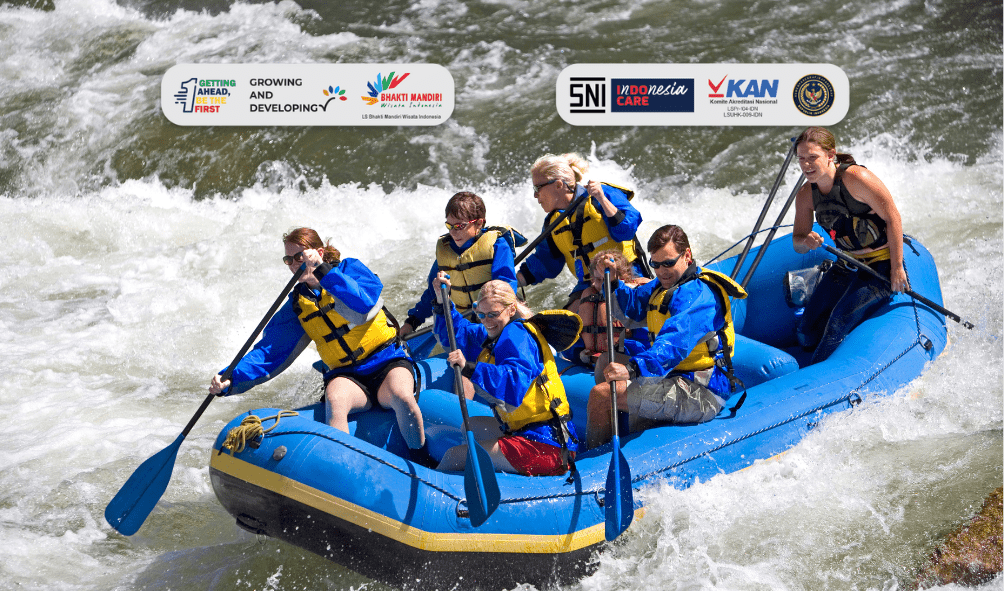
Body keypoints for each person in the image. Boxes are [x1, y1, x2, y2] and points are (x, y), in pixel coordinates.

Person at [209, 227, 433, 466]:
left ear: (319, 252)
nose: (295, 264)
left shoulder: (351, 269)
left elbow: (364, 301)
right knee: (335, 403)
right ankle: (342, 467)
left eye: (300, 257)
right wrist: (231, 378)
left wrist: (324, 271)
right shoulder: (298, 304)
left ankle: (422, 461)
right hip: (347, 375)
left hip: (387, 361)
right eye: (289, 260)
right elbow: (269, 352)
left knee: (402, 397)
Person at [585, 225, 746, 450]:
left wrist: (632, 368)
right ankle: (622, 441)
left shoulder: (699, 296)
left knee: (601, 395)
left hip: (700, 391)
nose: (662, 271)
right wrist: (612, 284)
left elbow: (673, 344)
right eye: (655, 264)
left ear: (687, 255)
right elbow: (632, 308)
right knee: (605, 364)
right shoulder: (662, 286)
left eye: (668, 263)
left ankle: (593, 462)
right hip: (672, 378)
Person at [431, 276, 582, 476]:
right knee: (472, 427)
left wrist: (469, 368)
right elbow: (461, 333)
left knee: (453, 456)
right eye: (481, 314)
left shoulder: (517, 336)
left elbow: (513, 382)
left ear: (511, 309)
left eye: (493, 314)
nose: (486, 321)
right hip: (524, 429)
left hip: (547, 445)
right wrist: (443, 302)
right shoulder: (495, 330)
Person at [791, 126, 909, 363]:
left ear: (830, 155)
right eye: (801, 159)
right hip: (847, 264)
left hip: (880, 267)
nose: (806, 165)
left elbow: (893, 217)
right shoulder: (805, 195)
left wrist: (897, 268)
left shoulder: (856, 179)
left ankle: (817, 377)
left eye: (812, 157)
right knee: (805, 332)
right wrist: (806, 241)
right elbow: (797, 243)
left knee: (836, 326)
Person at [516, 153, 647, 311]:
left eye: (538, 188)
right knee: (564, 325)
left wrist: (602, 199)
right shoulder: (552, 223)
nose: (535, 195)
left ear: (558, 185)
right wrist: (512, 281)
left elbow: (626, 230)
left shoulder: (601, 194)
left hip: (626, 274)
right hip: (587, 284)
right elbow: (545, 263)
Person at [400, 191, 522, 336]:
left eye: (459, 226)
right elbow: (433, 293)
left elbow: (505, 288)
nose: (453, 232)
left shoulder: (497, 246)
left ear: (479, 223)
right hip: (463, 325)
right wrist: (412, 321)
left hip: (496, 322)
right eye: (449, 226)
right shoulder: (445, 252)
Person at [573, 251, 651, 369]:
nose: (595, 284)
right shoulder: (590, 299)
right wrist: (580, 353)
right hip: (593, 365)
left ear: (622, 278)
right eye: (595, 279)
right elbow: (578, 336)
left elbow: (646, 344)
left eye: (601, 280)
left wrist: (619, 349)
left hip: (627, 364)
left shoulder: (635, 301)